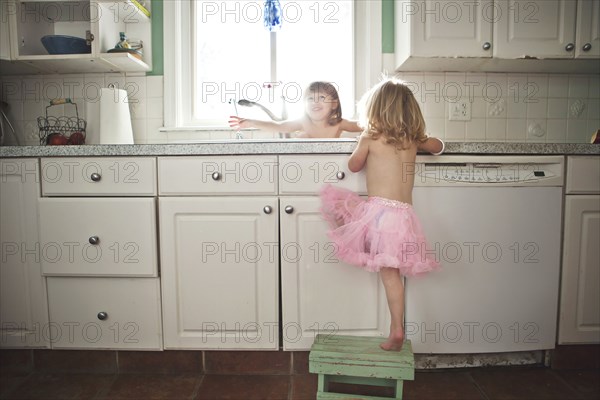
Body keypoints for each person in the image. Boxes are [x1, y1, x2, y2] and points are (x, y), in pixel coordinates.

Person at [319, 77, 444, 351]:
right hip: (405, 217)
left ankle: (396, 329)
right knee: (393, 274)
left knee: (385, 270)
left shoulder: (371, 137)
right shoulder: (412, 140)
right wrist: (421, 139)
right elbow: (438, 146)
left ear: (376, 110)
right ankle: (396, 326)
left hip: (378, 214)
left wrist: (361, 142)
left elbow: (353, 166)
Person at [228, 81, 362, 138]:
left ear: (334, 104)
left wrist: (381, 122)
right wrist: (251, 122)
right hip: (305, 167)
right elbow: (279, 126)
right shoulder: (303, 122)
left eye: (321, 97)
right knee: (303, 137)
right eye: (310, 98)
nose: (315, 102)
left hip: (332, 167)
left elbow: (363, 125)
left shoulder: (339, 123)